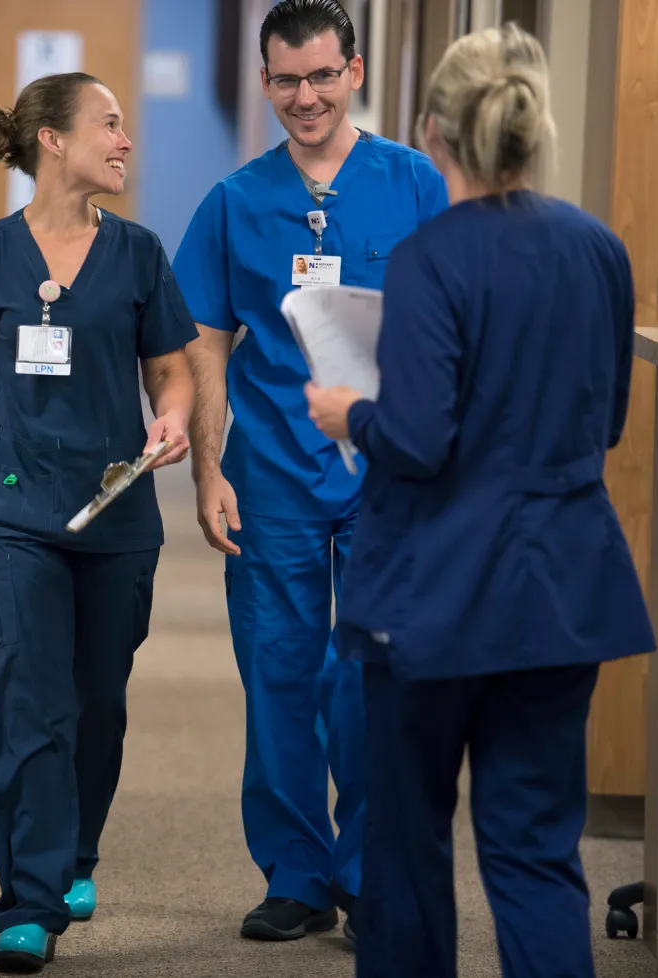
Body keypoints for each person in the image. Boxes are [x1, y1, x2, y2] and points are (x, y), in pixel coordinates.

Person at [303, 23, 655, 978]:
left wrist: (350, 414)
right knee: (538, 851)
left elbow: (417, 442)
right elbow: (606, 422)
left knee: (410, 844)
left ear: (431, 135)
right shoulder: (599, 249)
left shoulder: (433, 258)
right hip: (559, 595)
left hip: (437, 597)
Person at [0, 72, 197, 973]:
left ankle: (73, 854)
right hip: (16, 515)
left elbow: (174, 372)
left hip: (117, 515)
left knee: (96, 706)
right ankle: (26, 902)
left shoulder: (141, 255)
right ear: (54, 142)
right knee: (30, 701)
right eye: (109, 125)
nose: (125, 141)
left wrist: (175, 417)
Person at [171, 0, 448, 945]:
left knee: (369, 675)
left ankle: (370, 871)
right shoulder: (235, 202)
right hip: (273, 475)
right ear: (265, 83)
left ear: (356, 72)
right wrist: (210, 467)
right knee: (279, 671)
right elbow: (203, 344)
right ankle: (294, 872)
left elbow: (447, 331)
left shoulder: (412, 185)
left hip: (385, 473)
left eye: (323, 75)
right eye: (287, 80)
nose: (306, 97)